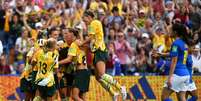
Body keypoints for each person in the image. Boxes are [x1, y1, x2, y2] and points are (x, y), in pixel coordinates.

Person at [82, 10, 127, 101]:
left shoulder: (93, 23)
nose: (84, 20)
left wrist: (81, 43)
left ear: (89, 17)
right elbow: (92, 41)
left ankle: (120, 87)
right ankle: (113, 93)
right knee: (98, 77)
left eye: (84, 18)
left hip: (100, 51)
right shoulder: (94, 24)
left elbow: (90, 38)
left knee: (102, 74)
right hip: (96, 51)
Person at [161, 22, 190, 101]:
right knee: (182, 98)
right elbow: (178, 56)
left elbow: (174, 60)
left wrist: (170, 77)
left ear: (175, 32)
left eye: (170, 30)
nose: (169, 32)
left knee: (164, 97)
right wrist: (161, 54)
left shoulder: (175, 44)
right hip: (185, 74)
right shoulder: (184, 43)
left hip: (177, 74)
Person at [59, 28, 90, 101]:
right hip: (85, 72)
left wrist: (57, 63)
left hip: (80, 72)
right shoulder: (79, 43)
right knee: (82, 97)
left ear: (73, 36)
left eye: (67, 35)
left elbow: (69, 59)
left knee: (75, 97)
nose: (66, 38)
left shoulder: (73, 44)